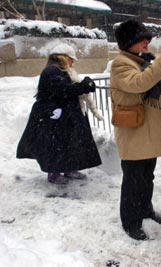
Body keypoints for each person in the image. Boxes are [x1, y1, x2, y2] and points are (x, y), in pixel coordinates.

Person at [110, 19, 161, 240]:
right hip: (134, 134)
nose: (146, 42)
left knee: (146, 177)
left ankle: (145, 210)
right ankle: (131, 222)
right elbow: (139, 83)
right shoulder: (121, 64)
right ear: (128, 42)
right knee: (133, 181)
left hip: (145, 135)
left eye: (147, 38)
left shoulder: (142, 61)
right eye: (140, 39)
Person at [16, 43, 101, 185]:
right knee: (56, 145)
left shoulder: (61, 71)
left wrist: (82, 87)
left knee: (69, 143)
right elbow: (62, 90)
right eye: (71, 58)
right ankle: (54, 173)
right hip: (54, 117)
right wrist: (83, 86)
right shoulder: (51, 71)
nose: (73, 62)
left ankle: (69, 168)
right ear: (63, 57)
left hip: (65, 116)